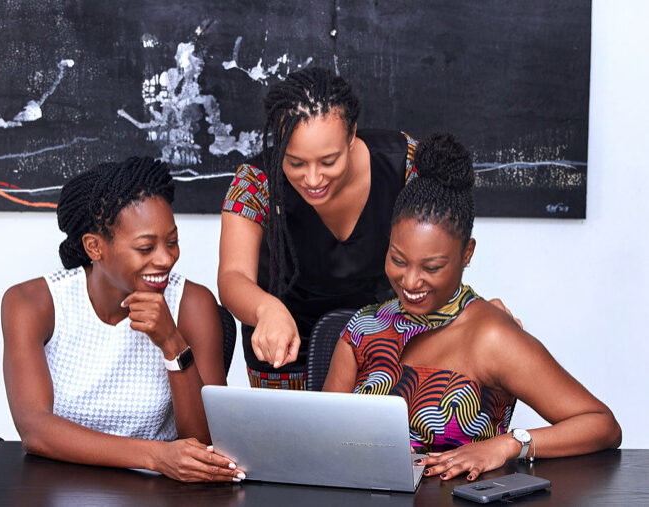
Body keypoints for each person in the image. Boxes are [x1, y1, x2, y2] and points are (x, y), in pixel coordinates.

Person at [323, 133, 621, 481]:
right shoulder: (363, 329)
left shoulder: (491, 336)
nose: (410, 280)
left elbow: (602, 426)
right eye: (398, 259)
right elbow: (324, 437)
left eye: (432, 267)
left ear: (467, 254)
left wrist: (509, 444)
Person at [219, 67, 516, 389]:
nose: (314, 179)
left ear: (351, 137)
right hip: (283, 354)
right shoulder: (255, 181)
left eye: (328, 161)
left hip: (383, 348)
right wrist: (265, 309)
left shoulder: (405, 164)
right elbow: (232, 277)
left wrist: (473, 312)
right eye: (295, 163)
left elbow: (440, 247)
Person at [2, 157, 244, 483]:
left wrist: (172, 344)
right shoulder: (32, 304)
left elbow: (206, 443)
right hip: (57, 486)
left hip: (158, 494)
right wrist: (156, 456)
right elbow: (35, 430)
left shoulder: (192, 303)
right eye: (145, 247)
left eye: (172, 242)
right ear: (95, 247)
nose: (165, 258)